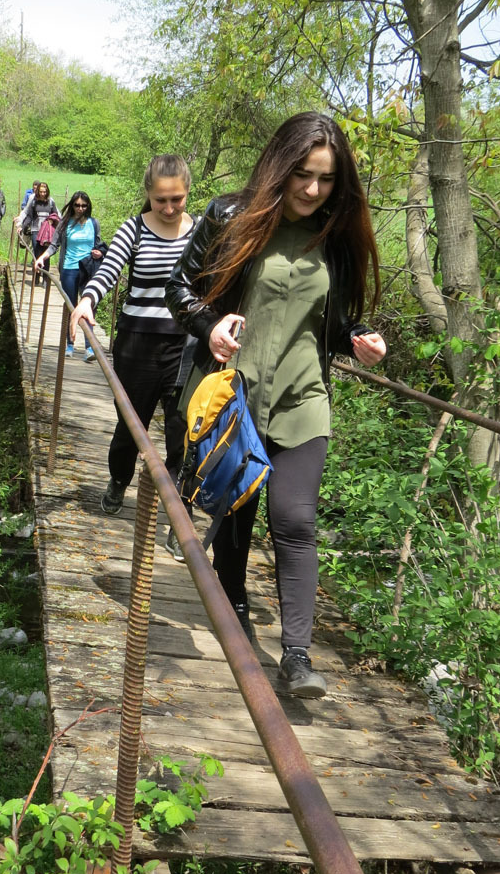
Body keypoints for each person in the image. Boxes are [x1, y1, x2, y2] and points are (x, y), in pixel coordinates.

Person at [165, 112, 386, 695]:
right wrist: (210, 327)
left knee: (294, 519)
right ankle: (234, 605)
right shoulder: (229, 215)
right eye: (304, 175)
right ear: (282, 167)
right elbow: (179, 291)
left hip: (303, 400)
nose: (314, 190)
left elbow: (332, 325)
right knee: (235, 517)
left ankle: (297, 657)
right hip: (237, 399)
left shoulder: (335, 238)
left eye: (327, 179)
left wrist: (360, 340)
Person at [69, 156, 197, 541]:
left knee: (184, 433)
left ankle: (181, 514)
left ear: (188, 192)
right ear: (148, 194)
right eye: (161, 200)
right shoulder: (135, 229)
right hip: (138, 345)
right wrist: (89, 299)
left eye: (177, 199)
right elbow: (109, 268)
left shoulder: (202, 232)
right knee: (130, 425)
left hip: (187, 347)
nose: (170, 208)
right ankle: (119, 479)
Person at [34, 192, 103, 358]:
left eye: (83, 205)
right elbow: (53, 245)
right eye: (77, 205)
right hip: (69, 269)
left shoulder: (94, 223)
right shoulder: (65, 223)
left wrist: (98, 253)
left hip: (88, 269)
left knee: (88, 308)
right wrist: (41, 258)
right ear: (72, 205)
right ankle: (70, 345)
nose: (80, 208)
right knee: (70, 307)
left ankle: (89, 348)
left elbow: (99, 245)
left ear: (88, 206)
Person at [20, 181, 58, 284]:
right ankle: (36, 277)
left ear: (47, 191)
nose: (42, 194)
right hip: (36, 231)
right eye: (41, 192)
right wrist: (22, 227)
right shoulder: (33, 201)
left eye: (44, 192)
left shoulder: (51, 202)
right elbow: (29, 216)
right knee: (37, 254)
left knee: (46, 255)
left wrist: (52, 220)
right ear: (37, 191)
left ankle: (45, 279)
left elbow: (56, 215)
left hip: (47, 233)